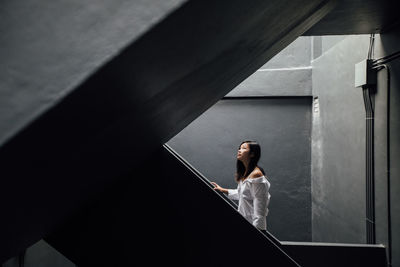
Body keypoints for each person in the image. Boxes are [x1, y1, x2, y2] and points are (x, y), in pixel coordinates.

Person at [211, 140, 271, 230]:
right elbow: (243, 194)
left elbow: (260, 210)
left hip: (253, 227)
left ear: (252, 154)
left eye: (244, 148)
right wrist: (223, 190)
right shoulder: (245, 172)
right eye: (239, 148)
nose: (239, 150)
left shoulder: (256, 175)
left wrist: (258, 232)